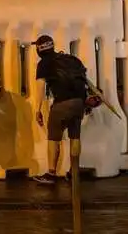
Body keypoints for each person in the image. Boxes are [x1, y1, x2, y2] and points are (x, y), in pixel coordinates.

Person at [31, 35, 88, 184]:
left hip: (62, 103)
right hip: (79, 102)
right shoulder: (71, 59)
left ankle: (51, 174)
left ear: (39, 49)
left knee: (53, 138)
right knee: (75, 136)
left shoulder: (44, 64)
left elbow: (40, 89)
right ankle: (74, 172)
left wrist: (37, 110)